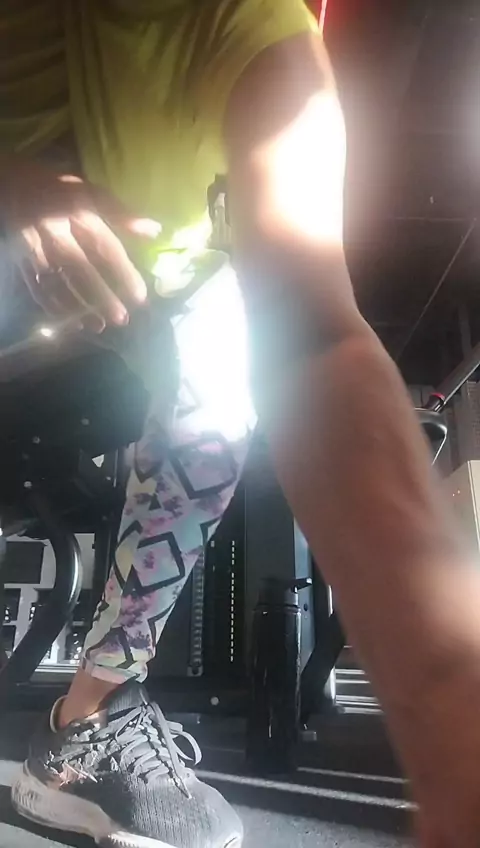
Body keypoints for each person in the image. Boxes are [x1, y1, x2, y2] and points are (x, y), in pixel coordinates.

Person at [2, 1, 480, 846]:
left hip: (130, 312)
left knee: (230, 366)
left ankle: (88, 722)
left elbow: (317, 340)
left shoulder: (263, 40)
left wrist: (450, 712)